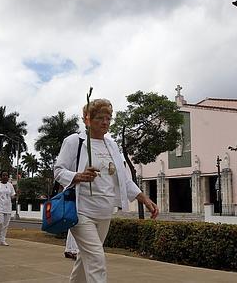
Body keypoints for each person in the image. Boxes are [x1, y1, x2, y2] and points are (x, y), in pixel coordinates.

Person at [54, 98, 159, 283]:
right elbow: (58, 171)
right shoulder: (75, 142)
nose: (105, 122)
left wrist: (144, 198)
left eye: (108, 118)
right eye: (100, 118)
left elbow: (123, 179)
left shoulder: (111, 145)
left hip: (104, 213)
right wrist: (79, 176)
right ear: (87, 119)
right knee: (96, 260)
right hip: (81, 212)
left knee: (85, 259)